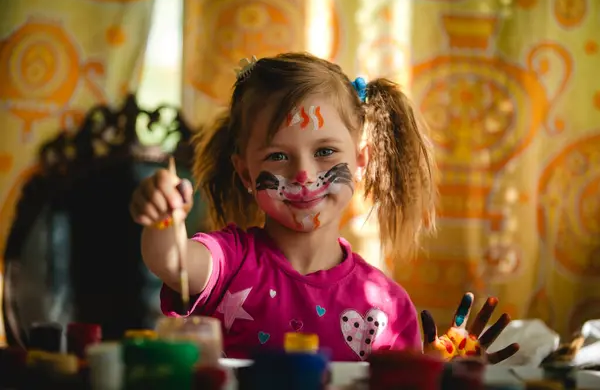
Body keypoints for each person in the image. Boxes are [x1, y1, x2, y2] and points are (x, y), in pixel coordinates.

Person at [130, 52, 518, 362]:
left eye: (325, 151)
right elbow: (174, 262)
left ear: (362, 158)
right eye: (278, 156)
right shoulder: (229, 263)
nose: (303, 174)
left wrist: (436, 374)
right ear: (246, 173)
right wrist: (163, 220)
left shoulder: (387, 305)